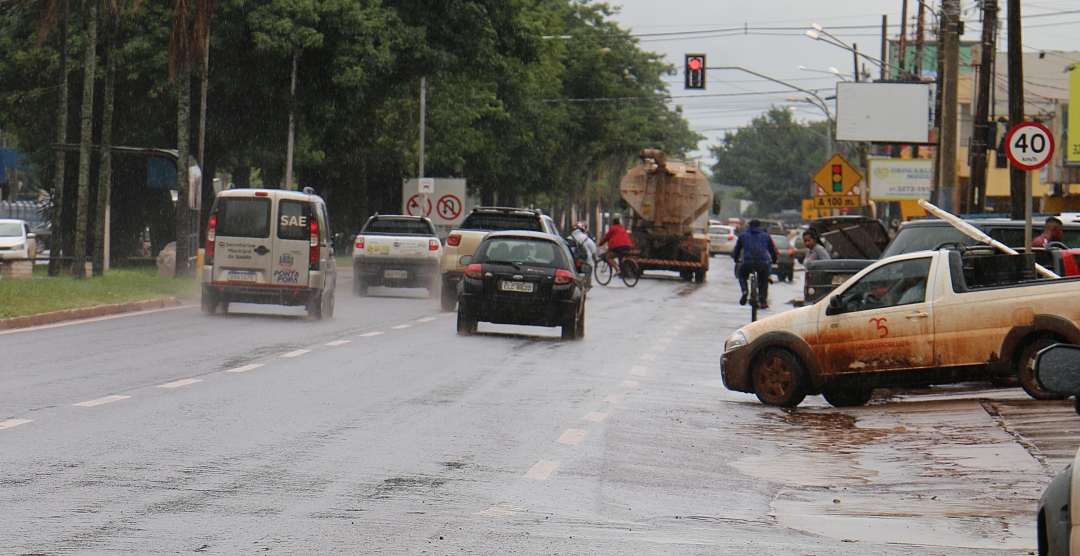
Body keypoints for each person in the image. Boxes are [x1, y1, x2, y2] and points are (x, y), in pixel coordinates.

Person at [733, 219, 778, 308]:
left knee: (742, 275)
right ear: (759, 226)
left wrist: (736, 259)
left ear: (749, 226)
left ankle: (745, 290)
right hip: (762, 263)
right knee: (764, 280)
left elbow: (737, 249)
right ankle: (762, 300)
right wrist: (774, 260)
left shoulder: (743, 236)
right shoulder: (766, 236)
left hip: (747, 262)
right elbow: (772, 250)